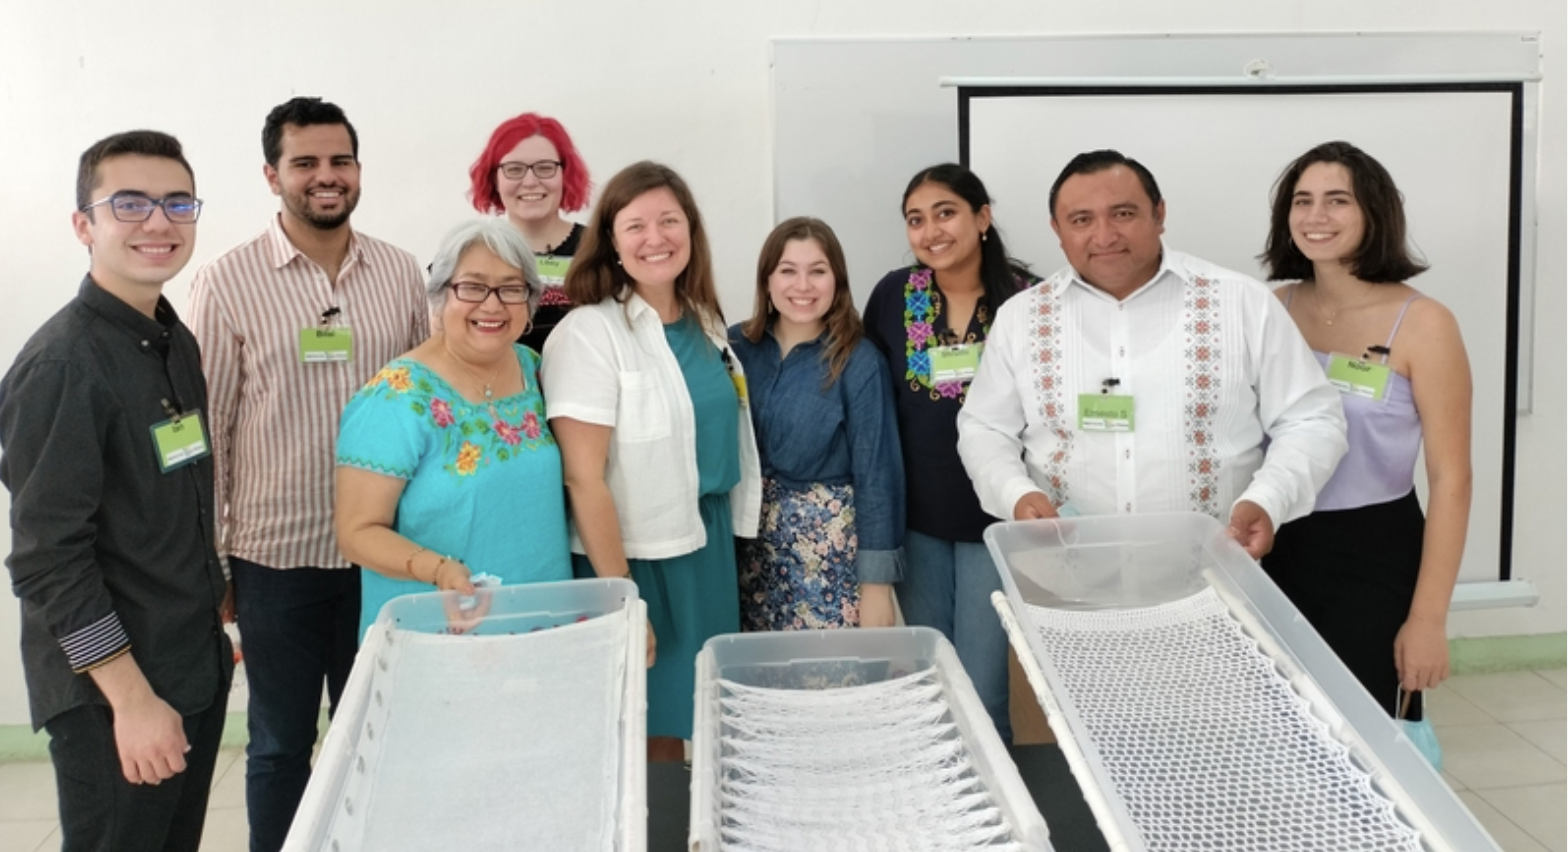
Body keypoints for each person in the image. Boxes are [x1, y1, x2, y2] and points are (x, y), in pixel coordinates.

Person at [186, 96, 428, 852]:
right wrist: (218, 562)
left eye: (340, 162)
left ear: (357, 170)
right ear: (272, 175)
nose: (327, 177)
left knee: (385, 735)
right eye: (307, 164)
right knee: (281, 746)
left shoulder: (397, 273)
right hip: (276, 561)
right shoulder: (227, 282)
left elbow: (427, 403)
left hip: (385, 555)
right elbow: (211, 435)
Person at [1, 130, 232, 851]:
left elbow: (167, 487)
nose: (158, 222)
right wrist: (131, 701)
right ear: (84, 225)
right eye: (129, 203)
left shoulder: (170, 339)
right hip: (115, 693)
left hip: (188, 660)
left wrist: (213, 589)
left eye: (176, 203)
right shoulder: (64, 365)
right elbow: (47, 559)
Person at [957, 148, 1347, 558]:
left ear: (1159, 215)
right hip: (1067, 575)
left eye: (1123, 214)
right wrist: (1017, 494)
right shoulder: (1021, 318)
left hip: (1214, 573)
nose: (1104, 236)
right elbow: (984, 428)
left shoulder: (1243, 303)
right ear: (1057, 229)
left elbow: (1311, 419)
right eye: (1081, 220)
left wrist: (1268, 500)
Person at [542, 161, 762, 761]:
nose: (656, 237)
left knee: (690, 720)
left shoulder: (706, 324)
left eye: (670, 220)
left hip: (706, 547)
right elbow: (582, 478)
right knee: (639, 729)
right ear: (610, 242)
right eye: (635, 225)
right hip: (637, 559)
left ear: (691, 231)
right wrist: (625, 600)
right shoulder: (589, 334)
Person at [1259, 141, 1472, 721]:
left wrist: (1428, 620)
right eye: (1302, 201)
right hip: (1275, 543)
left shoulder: (1424, 323)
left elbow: (1451, 479)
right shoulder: (1271, 309)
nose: (1315, 217)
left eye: (1337, 201)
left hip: (1372, 553)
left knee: (1366, 736)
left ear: (1374, 212)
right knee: (1282, 726)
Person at [862, 164, 1036, 741]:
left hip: (997, 519)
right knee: (929, 679)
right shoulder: (894, 294)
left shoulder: (1029, 300)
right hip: (919, 519)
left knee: (983, 687)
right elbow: (873, 403)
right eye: (916, 219)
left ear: (982, 218)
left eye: (946, 213)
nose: (931, 231)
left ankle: (995, 824)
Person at [335, 219, 572, 637]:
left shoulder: (535, 370)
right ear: (440, 296)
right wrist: (440, 570)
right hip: (440, 631)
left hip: (542, 623)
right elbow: (357, 532)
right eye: (473, 286)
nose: (492, 305)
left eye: (511, 288)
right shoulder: (396, 397)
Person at [729, 217, 905, 631]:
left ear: (838, 280)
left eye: (818, 271)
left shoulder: (860, 362)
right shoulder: (735, 346)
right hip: (744, 553)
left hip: (826, 565)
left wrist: (877, 589)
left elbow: (878, 478)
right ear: (767, 279)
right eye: (788, 271)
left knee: (828, 685)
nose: (802, 286)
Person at [468, 112, 592, 352]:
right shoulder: (471, 253)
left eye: (545, 168)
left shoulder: (601, 249)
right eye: (514, 169)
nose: (530, 181)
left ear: (565, 175)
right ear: (494, 178)